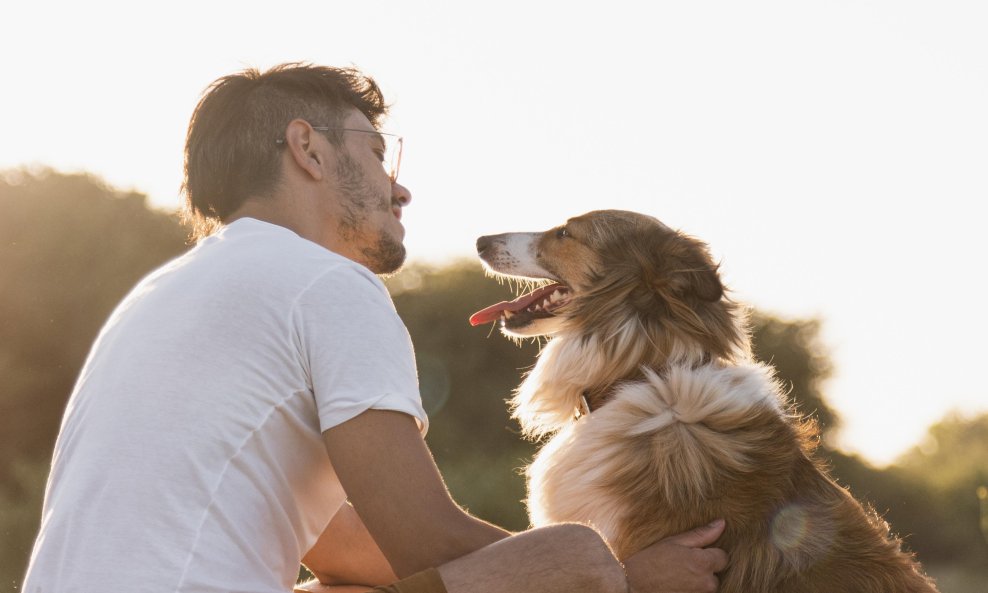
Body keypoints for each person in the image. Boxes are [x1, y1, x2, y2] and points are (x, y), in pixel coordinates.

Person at [22, 63, 728, 593]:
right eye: (376, 154)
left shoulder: (163, 292)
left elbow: (342, 549)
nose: (400, 188)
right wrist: (623, 577)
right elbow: (428, 543)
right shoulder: (325, 284)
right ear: (309, 150)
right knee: (573, 552)